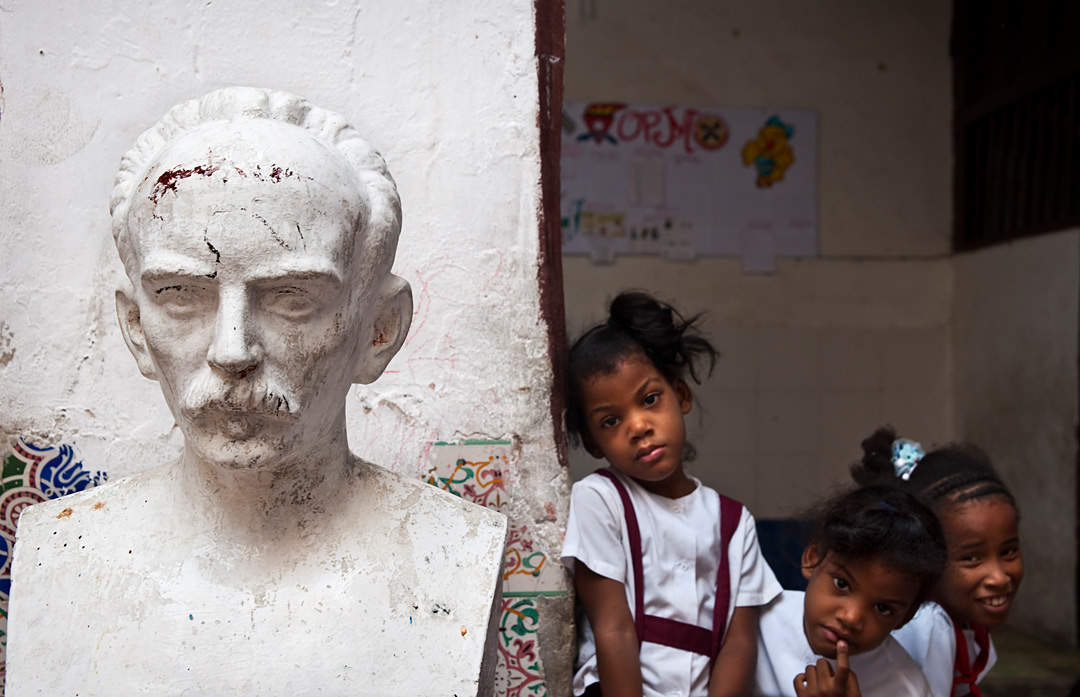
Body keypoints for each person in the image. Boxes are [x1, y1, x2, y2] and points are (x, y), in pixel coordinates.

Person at [6, 87, 507, 697]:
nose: (232, 350)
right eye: (181, 297)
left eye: (292, 298)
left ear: (380, 330)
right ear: (136, 328)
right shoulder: (61, 554)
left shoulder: (456, 559)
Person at [560, 291, 782, 697]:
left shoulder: (734, 523)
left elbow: (739, 643)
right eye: (610, 420)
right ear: (594, 445)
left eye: (649, 399)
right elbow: (614, 629)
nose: (638, 426)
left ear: (680, 396)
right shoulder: (601, 499)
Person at [851, 427, 1024, 697]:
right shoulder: (927, 626)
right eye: (971, 558)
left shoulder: (963, 621)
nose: (999, 577)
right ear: (926, 559)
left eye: (1008, 551)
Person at [754, 485, 946, 697]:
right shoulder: (751, 625)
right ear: (813, 558)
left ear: (905, 617)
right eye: (842, 584)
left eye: (882, 608)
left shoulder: (907, 689)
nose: (851, 618)